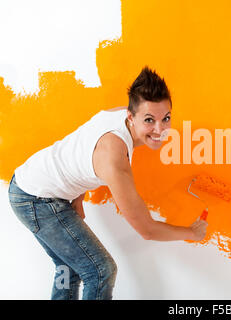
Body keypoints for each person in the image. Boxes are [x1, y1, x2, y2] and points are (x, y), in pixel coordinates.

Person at [7, 66, 208, 300]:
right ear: (131, 117)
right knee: (100, 270)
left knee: (68, 269)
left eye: (166, 118)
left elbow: (81, 144)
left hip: (32, 184)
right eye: (149, 120)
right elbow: (147, 230)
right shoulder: (115, 160)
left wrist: (77, 196)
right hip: (36, 200)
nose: (160, 129)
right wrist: (192, 233)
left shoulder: (118, 114)